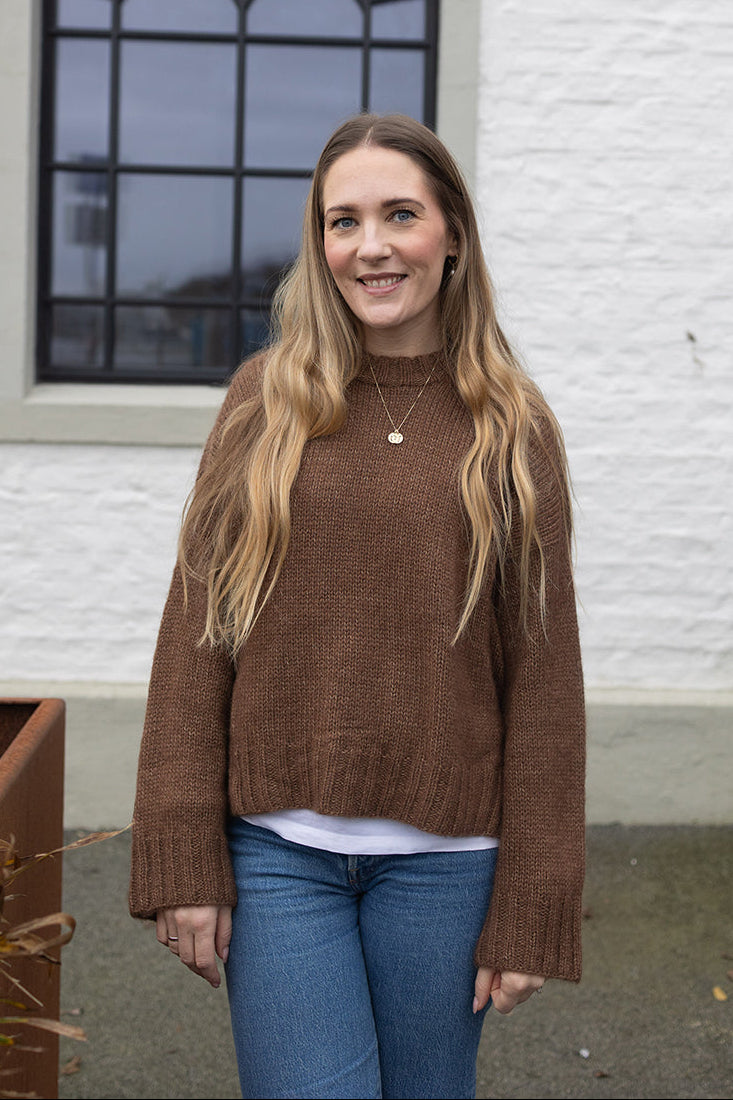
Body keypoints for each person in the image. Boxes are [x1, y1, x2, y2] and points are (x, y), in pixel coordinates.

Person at [129, 113, 585, 1100]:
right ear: (320, 243)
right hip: (276, 857)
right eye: (343, 221)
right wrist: (182, 850)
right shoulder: (265, 401)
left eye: (399, 215)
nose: (370, 245)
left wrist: (533, 903)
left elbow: (545, 682)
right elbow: (197, 635)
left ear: (451, 233)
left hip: (448, 870)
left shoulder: (512, 428)